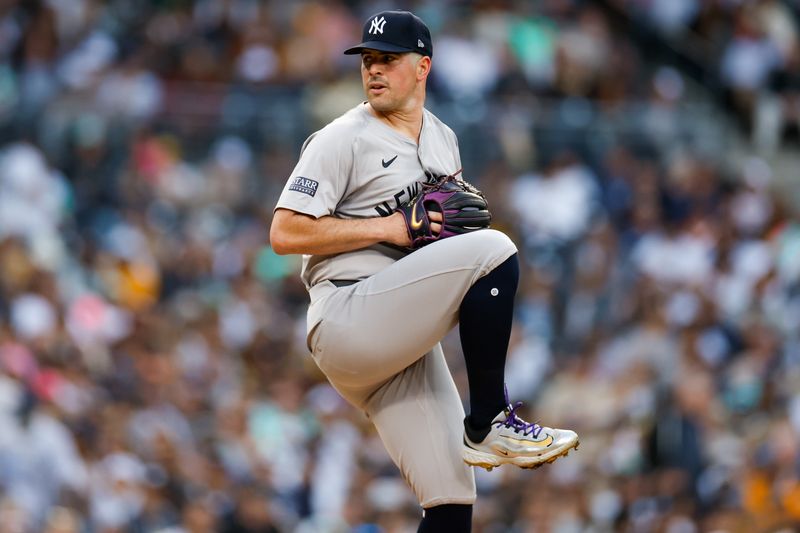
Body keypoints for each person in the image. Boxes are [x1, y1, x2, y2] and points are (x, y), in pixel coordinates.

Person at [270, 10, 579, 531]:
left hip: (398, 336)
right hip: (348, 312)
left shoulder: (443, 141)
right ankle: (490, 421)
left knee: (452, 499)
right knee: (495, 248)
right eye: (368, 60)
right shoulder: (340, 137)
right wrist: (388, 229)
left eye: (388, 59)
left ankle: (482, 432)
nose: (374, 70)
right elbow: (285, 233)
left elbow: (439, 237)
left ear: (423, 67)